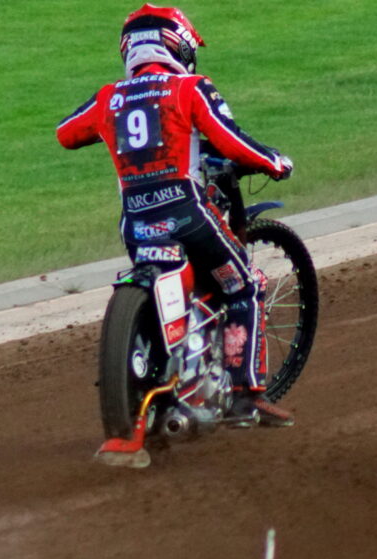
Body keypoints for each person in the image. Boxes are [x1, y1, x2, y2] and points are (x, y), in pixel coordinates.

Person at [56, 3, 296, 426]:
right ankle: (245, 397)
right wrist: (273, 162)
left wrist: (110, 125)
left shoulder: (110, 98)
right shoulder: (189, 88)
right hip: (188, 217)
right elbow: (232, 142)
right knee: (243, 285)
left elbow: (66, 133)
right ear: (179, 47)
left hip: (136, 226)